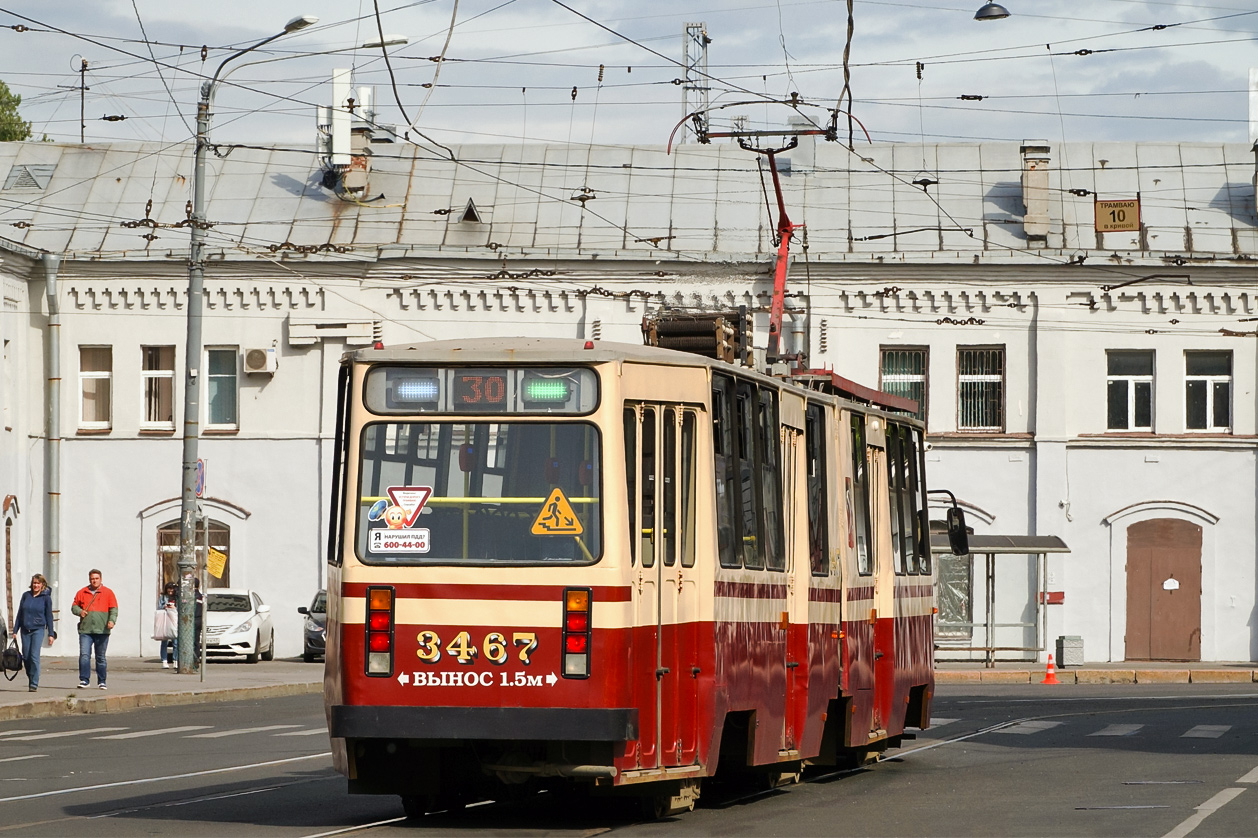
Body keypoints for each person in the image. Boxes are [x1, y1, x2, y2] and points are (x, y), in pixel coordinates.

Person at [71, 568, 117, 689]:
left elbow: (113, 609)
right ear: (89, 579)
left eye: (96, 578)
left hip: (102, 630)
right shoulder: (82, 592)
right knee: (84, 655)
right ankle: (84, 680)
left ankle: (102, 681)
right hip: (85, 630)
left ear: (100, 579)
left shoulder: (108, 593)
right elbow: (74, 606)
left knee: (100, 657)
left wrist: (112, 621)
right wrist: (80, 611)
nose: (94, 581)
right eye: (92, 579)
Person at [14, 574, 56, 692]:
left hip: (38, 629)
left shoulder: (45, 598)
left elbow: (49, 616)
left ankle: (34, 683)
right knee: (26, 657)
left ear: (42, 585)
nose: (36, 585)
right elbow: (20, 613)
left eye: (38, 583)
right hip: (25, 629)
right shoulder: (26, 596)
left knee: (34, 656)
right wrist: (15, 630)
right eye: (34, 583)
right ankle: (31, 677)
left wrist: (51, 634)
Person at [157, 582, 178, 668]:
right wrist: (165, 606)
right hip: (165, 620)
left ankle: (175, 660)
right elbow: (159, 607)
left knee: (175, 641)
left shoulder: (177, 597)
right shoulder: (163, 597)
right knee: (164, 640)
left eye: (172, 589)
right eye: (168, 589)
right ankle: (164, 660)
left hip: (174, 620)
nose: (170, 591)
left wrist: (174, 607)